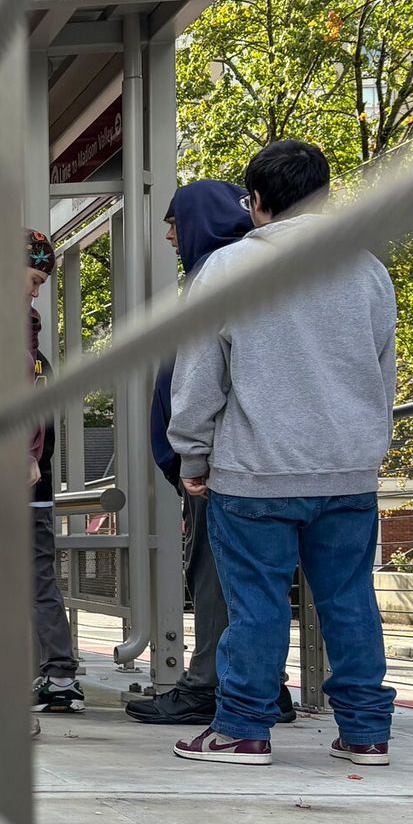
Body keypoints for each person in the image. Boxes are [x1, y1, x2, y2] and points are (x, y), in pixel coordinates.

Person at [169, 139, 397, 766]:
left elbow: (198, 378)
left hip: (255, 471)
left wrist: (192, 457)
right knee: (349, 599)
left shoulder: (226, 268)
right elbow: (382, 374)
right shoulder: (367, 270)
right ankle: (366, 732)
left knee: (257, 604)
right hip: (348, 470)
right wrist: (370, 448)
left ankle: (243, 728)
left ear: (256, 201)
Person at [126, 182, 296, 727]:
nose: (169, 236)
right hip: (264, 456)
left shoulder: (217, 275)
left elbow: (198, 379)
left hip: (223, 461)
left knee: (215, 576)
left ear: (201, 219)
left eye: (174, 222)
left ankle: (208, 684)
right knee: (255, 580)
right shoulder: (260, 271)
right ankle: (266, 685)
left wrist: (189, 460)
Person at [27, 230, 84, 714]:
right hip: (33, 483)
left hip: (14, 480)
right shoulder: (30, 344)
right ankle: (59, 675)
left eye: (40, 282)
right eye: (32, 279)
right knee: (38, 579)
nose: (35, 291)